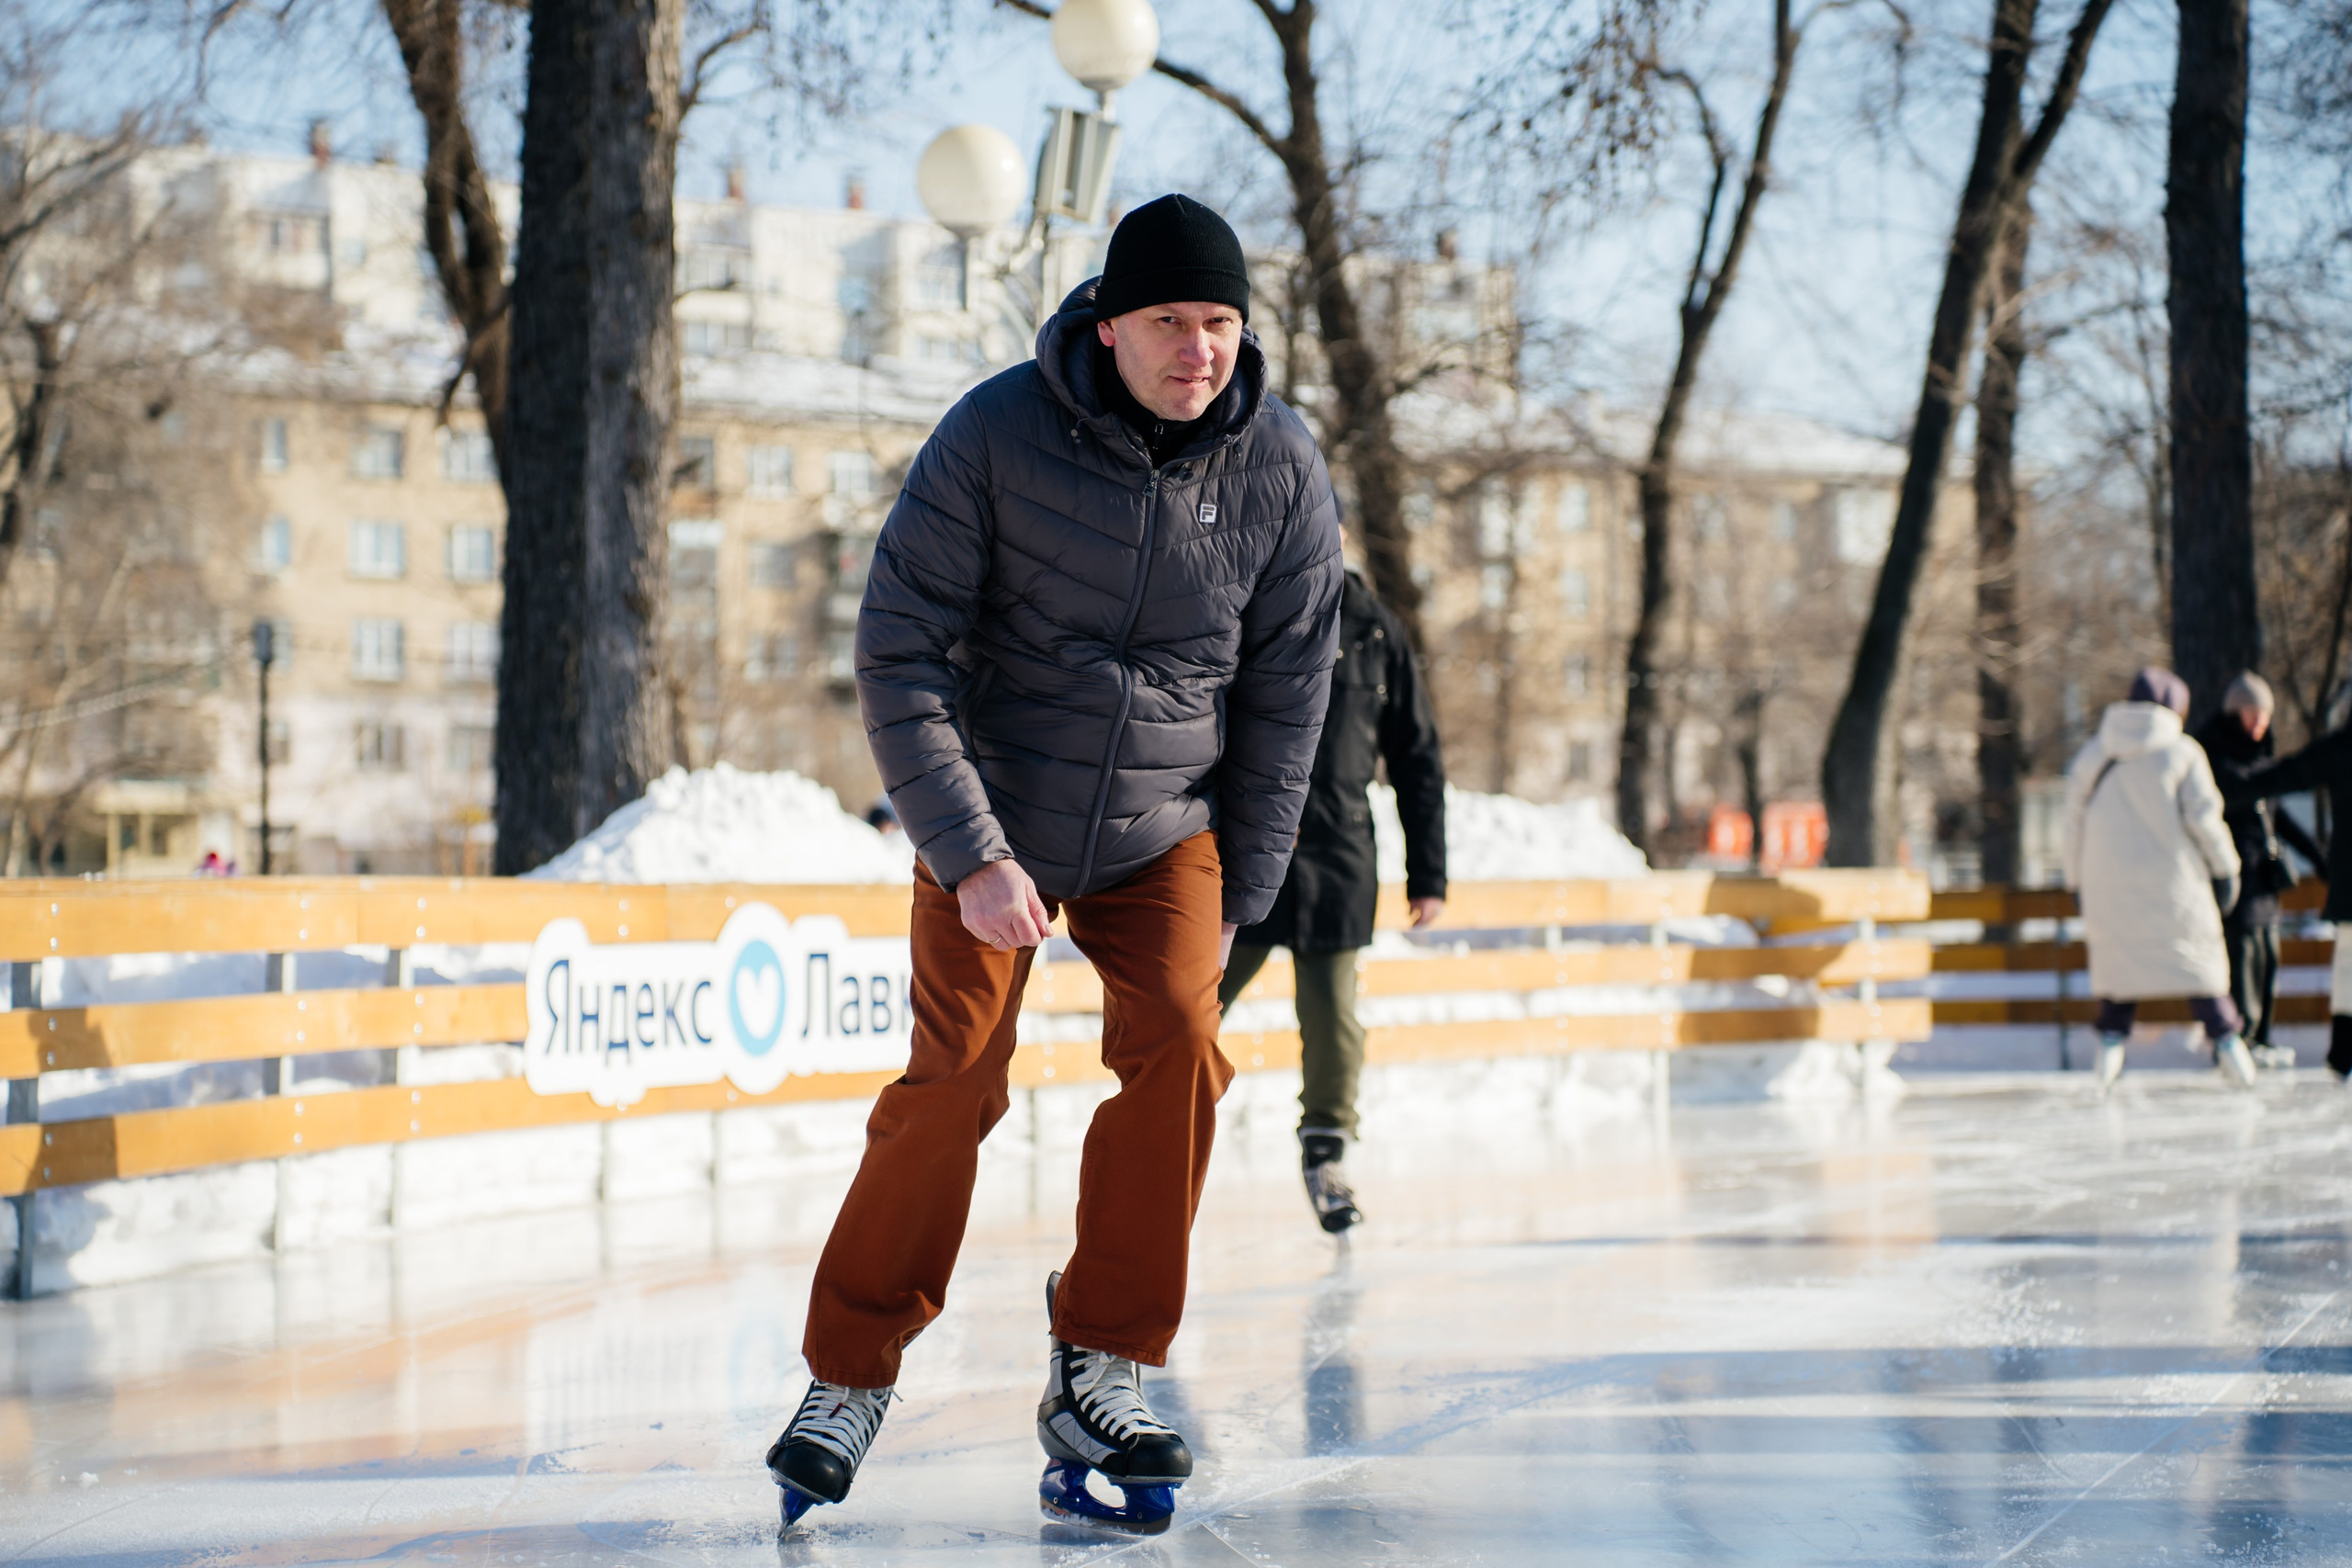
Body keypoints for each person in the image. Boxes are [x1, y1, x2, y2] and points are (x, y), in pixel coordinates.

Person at [764, 193, 1344, 1536]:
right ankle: (848, 1371)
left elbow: (1291, 690)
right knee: (955, 1075)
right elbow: (899, 650)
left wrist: (1241, 889)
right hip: (998, 802)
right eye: (1167, 322)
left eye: (1218, 323)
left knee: (1185, 1040)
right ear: (1108, 319)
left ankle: (1106, 1358)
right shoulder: (995, 432)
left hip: (1170, 821)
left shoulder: (1278, 467)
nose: (1196, 349)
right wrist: (966, 851)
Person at [1216, 558, 1445, 1233]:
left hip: (1338, 853)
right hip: (1249, 849)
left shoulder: (1376, 628)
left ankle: (1326, 1151)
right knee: (1191, 1006)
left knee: (1334, 1019)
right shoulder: (1248, 599)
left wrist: (1429, 872)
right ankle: (1161, 1133)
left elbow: (1416, 754)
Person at [2063, 666, 2256, 1092]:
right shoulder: (2182, 753)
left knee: (2119, 973)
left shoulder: (2095, 754)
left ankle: (2107, 1060)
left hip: (2108, 887)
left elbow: (2072, 824)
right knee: (2198, 969)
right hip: (2175, 886)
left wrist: (2076, 882)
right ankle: (2230, 1048)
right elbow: (2206, 819)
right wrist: (2226, 870)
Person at [2192, 672, 2325, 1069]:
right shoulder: (2213, 758)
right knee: (2243, 953)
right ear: (2234, 714)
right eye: (2251, 714)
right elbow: (2228, 797)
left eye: (2264, 716)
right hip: (2232, 874)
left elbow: (2279, 816)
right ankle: (2241, 1038)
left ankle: (2262, 1035)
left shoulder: (2261, 760)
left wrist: (2318, 857)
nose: (2258, 724)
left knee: (2269, 951)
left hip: (2264, 875)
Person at [2230, 679, 2352, 1081]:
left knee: (2349, 962)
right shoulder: (2342, 748)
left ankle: (2342, 1052)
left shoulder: (2342, 746)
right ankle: (2342, 1052)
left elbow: (2291, 774)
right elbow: (2289, 778)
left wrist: (2239, 788)